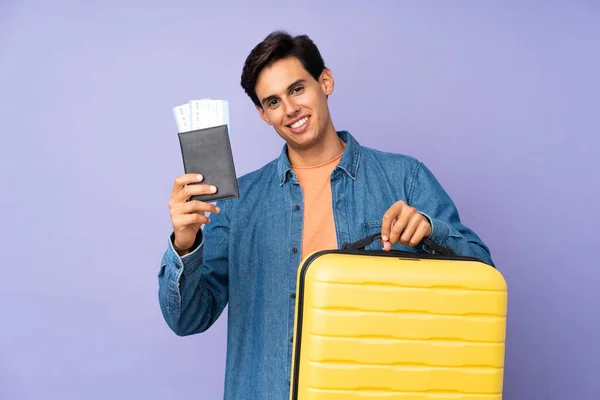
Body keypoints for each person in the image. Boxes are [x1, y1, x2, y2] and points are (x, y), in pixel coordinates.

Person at [158, 30, 494, 400]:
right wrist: (185, 242)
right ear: (263, 115)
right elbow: (188, 319)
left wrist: (432, 231)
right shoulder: (238, 202)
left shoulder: (404, 177)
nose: (289, 109)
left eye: (297, 89)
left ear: (325, 81)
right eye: (273, 101)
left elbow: (482, 274)